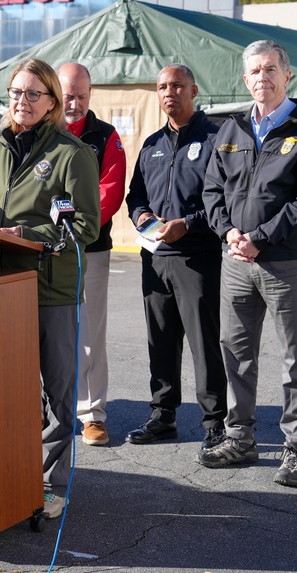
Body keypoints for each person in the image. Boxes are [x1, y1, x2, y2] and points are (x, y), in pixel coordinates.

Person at [0, 58, 100, 519]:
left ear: (52, 102)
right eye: (14, 94)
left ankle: (52, 486)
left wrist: (29, 239)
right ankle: (12, 475)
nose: (20, 103)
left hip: (49, 290)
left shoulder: (72, 154)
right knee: (9, 390)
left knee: (57, 393)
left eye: (31, 94)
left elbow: (85, 227)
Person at [200, 40, 297, 487]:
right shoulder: (231, 130)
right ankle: (240, 438)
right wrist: (229, 233)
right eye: (255, 71)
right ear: (245, 79)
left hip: (286, 264)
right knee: (236, 355)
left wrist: (261, 238)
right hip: (235, 261)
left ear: (286, 75)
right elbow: (211, 191)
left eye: (271, 69)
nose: (263, 78)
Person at [124, 65, 227, 450]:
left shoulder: (217, 139)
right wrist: (142, 217)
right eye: (163, 87)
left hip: (198, 258)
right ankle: (162, 416)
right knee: (161, 341)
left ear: (194, 90)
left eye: (178, 85)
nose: (170, 92)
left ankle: (215, 422)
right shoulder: (152, 144)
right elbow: (135, 196)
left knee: (205, 344)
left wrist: (190, 223)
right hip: (155, 257)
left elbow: (228, 199)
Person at [56, 62, 126, 446]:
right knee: (44, 331)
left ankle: (92, 414)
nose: (76, 103)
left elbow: (109, 194)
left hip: (89, 250)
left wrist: (72, 232)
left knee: (89, 334)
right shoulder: (41, 132)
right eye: (69, 95)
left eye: (82, 96)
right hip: (41, 249)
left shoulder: (106, 137)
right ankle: (45, 408)